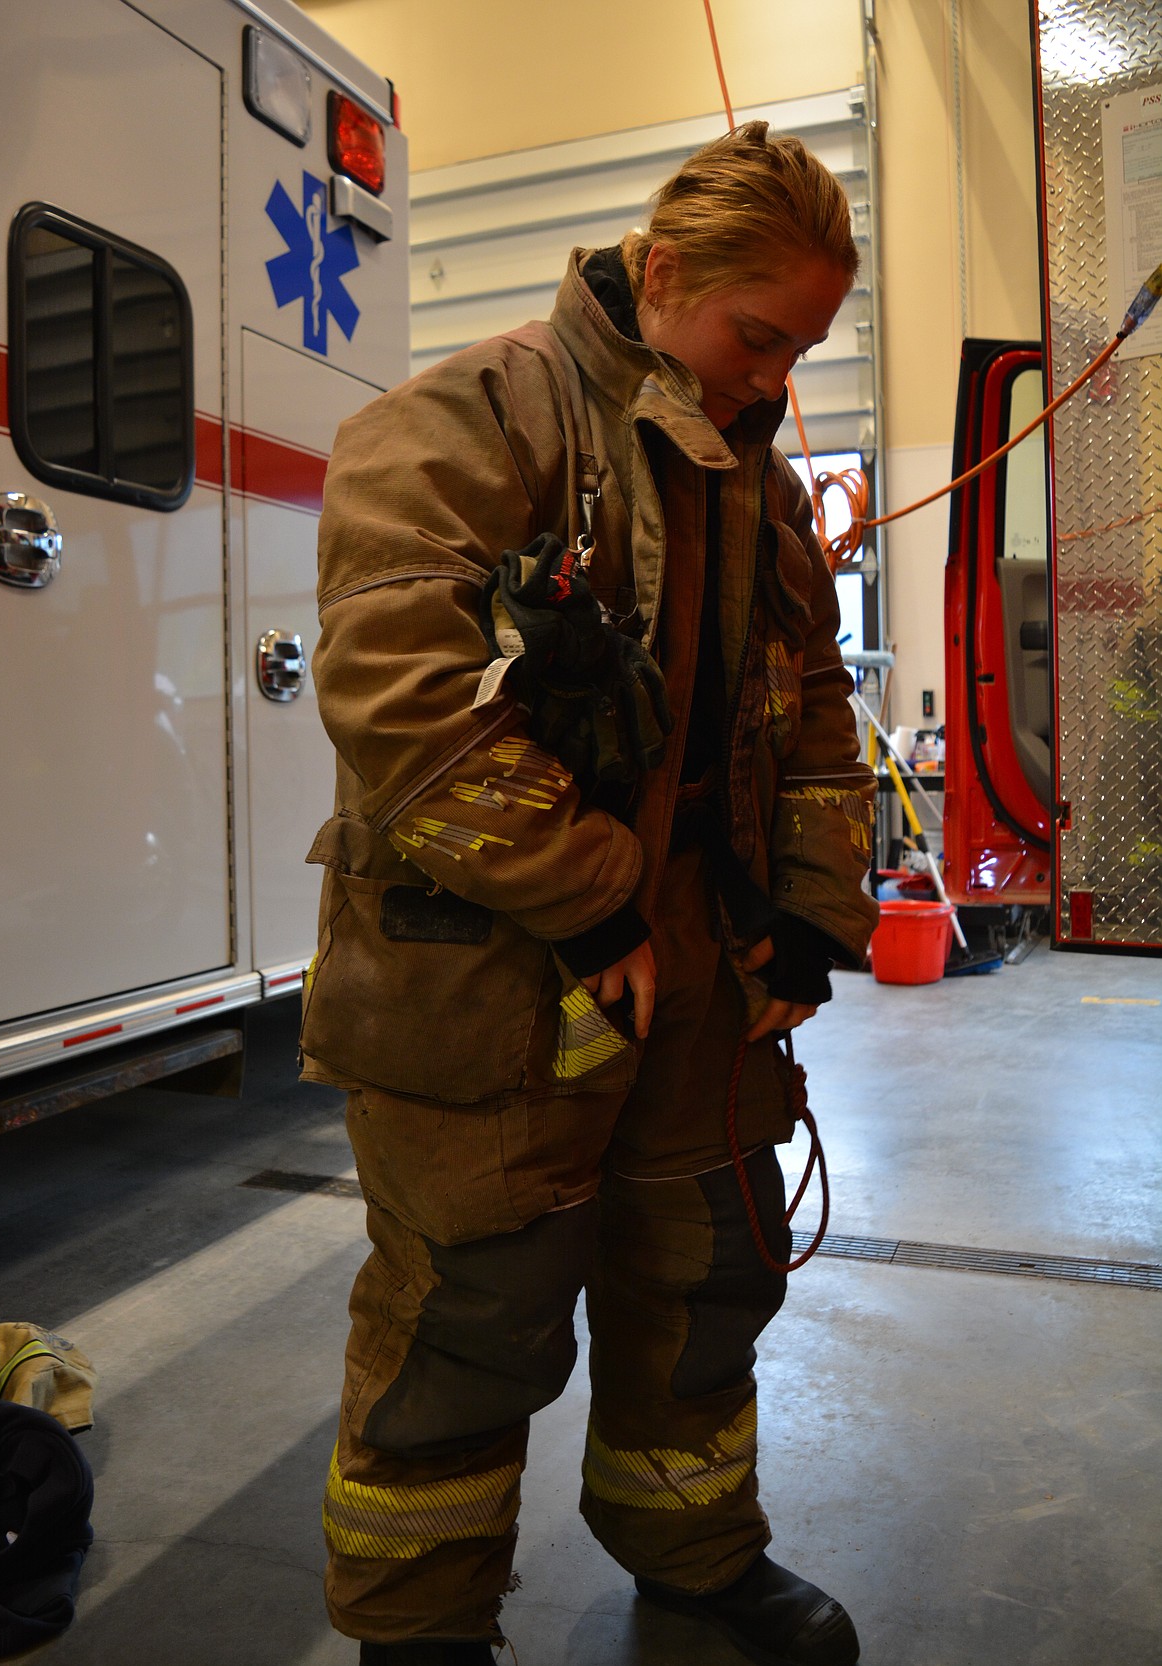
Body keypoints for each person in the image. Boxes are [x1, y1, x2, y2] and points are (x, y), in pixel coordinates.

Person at [300, 121, 878, 1666]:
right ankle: (418, 1632)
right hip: (484, 977)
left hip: (700, 971)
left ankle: (693, 1551)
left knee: (705, 1271)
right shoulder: (467, 422)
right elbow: (400, 700)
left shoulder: (753, 479)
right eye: (758, 335)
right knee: (470, 1310)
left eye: (802, 346)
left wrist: (803, 916)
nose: (773, 374)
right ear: (667, 268)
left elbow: (812, 698)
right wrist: (597, 903)